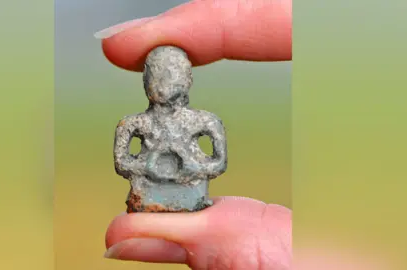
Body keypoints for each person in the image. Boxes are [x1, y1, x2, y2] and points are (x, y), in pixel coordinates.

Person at [95, 0, 292, 269]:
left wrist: (188, 163)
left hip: (192, 193)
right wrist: (149, 165)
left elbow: (218, 163)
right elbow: (123, 163)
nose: (162, 82)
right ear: (145, 81)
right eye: (155, 74)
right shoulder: (134, 124)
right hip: (147, 191)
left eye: (170, 74)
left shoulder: (204, 122)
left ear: (187, 79)